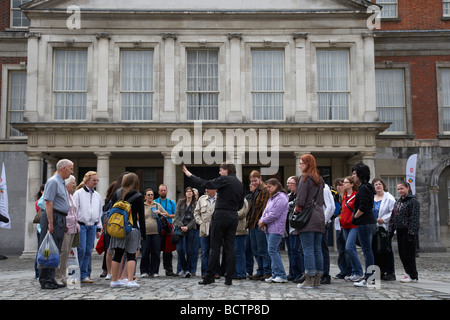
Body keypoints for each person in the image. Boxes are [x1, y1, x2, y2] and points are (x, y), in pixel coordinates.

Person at [183, 162, 244, 286]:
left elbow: (206, 184)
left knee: (214, 247)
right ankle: (228, 278)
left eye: (221, 170)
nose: (219, 172)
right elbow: (241, 204)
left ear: (227, 170)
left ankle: (209, 276)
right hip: (233, 216)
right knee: (230, 247)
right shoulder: (240, 184)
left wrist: (189, 175)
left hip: (221, 214)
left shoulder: (225, 180)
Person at [39, 159, 74, 290]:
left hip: (60, 217)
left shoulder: (61, 182)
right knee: (48, 249)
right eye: (70, 168)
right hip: (53, 216)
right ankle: (45, 279)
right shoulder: (53, 181)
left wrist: (63, 221)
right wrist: (51, 223)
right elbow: (49, 202)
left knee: (56, 249)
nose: (72, 171)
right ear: (63, 168)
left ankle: (51, 277)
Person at [109, 172, 146, 289]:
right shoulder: (138, 196)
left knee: (117, 254)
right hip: (132, 228)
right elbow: (142, 216)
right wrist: (143, 234)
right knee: (131, 254)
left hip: (118, 228)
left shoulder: (117, 193)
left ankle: (114, 280)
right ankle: (130, 280)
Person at [295, 154, 325, 289]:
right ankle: (317, 278)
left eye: (301, 163)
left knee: (308, 249)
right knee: (317, 248)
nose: (300, 165)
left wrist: (296, 209)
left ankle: (309, 279)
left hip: (308, 216)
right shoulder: (319, 179)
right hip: (319, 215)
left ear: (307, 164)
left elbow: (300, 200)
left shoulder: (304, 178)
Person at [73, 171, 102, 284]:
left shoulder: (97, 195)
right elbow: (74, 211)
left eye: (97, 180)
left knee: (88, 251)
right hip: (82, 225)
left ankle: (85, 274)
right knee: (81, 250)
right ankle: (78, 274)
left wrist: (99, 228)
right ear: (87, 181)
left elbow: (99, 212)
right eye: (94, 180)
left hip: (92, 226)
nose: (96, 182)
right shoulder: (78, 194)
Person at [258, 178, 289, 283]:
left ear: (276, 186)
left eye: (270, 187)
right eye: (267, 187)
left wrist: (263, 221)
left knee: (272, 250)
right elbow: (265, 211)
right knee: (273, 251)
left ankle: (281, 274)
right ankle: (276, 273)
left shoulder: (281, 197)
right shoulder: (272, 198)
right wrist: (262, 220)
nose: (268, 189)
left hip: (276, 228)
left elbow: (275, 213)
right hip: (269, 227)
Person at [351, 162, 377, 287]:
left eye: (355, 173)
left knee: (367, 251)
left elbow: (363, 206)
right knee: (368, 250)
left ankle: (370, 278)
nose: (353, 176)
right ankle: (369, 277)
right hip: (368, 222)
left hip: (365, 222)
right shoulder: (366, 187)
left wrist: (355, 218)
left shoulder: (364, 188)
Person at [389, 181, 420, 283]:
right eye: (398, 189)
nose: (400, 191)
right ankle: (408, 272)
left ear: (407, 188)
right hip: (400, 230)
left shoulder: (413, 201)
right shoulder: (398, 202)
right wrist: (391, 230)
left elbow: (414, 218)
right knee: (402, 254)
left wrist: (412, 232)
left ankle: (412, 275)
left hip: (408, 231)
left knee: (409, 254)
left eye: (402, 188)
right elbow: (393, 217)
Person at [246, 170, 271, 280]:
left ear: (260, 178)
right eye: (252, 181)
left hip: (260, 224)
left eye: (255, 180)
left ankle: (267, 271)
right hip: (252, 224)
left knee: (263, 249)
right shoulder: (255, 191)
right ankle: (260, 270)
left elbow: (266, 208)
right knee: (255, 249)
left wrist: (263, 221)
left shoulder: (265, 190)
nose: (254, 183)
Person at [54, 175, 79, 286]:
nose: (74, 185)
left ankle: (63, 275)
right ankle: (57, 276)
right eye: (73, 183)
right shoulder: (62, 195)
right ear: (67, 184)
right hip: (64, 228)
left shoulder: (70, 195)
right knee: (62, 252)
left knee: (67, 253)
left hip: (72, 228)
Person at [371, 177, 396, 281]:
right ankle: (379, 271)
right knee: (375, 250)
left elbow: (393, 212)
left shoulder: (389, 198)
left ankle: (390, 272)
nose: (378, 186)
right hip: (374, 228)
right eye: (376, 184)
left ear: (383, 186)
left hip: (384, 228)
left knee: (386, 250)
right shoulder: (372, 197)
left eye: (379, 184)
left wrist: (384, 219)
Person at [340, 176, 363, 282]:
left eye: (345, 182)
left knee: (349, 248)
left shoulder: (356, 195)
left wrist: (354, 218)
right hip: (345, 226)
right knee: (349, 249)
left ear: (352, 184)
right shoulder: (344, 196)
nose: (343, 184)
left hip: (354, 225)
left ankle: (358, 271)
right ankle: (353, 272)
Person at [140, 188, 167, 278]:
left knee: (156, 252)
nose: (150, 196)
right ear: (145, 196)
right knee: (145, 252)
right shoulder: (142, 206)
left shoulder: (157, 205)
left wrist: (160, 213)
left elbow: (166, 214)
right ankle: (144, 271)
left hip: (156, 232)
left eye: (152, 195)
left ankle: (154, 271)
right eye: (148, 195)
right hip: (145, 233)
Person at [194, 188, 219, 278]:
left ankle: (216, 272)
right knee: (204, 252)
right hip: (204, 229)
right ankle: (204, 272)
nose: (206, 190)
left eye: (209, 188)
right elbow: (196, 213)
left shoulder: (220, 198)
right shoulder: (201, 199)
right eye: (206, 188)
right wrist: (201, 223)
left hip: (216, 229)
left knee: (215, 251)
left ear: (215, 189)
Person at [173, 187, 197, 278]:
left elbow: (196, 217)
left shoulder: (196, 203)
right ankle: (184, 267)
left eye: (190, 191)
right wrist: (181, 225)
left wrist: (188, 227)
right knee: (179, 249)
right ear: (185, 193)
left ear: (192, 193)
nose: (189, 193)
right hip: (180, 228)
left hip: (190, 228)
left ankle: (187, 270)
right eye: (187, 191)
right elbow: (177, 215)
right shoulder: (180, 202)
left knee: (189, 250)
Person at [155, 184, 177, 276]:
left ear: (167, 191)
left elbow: (176, 214)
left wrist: (167, 215)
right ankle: (154, 270)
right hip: (158, 228)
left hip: (168, 228)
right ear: (159, 191)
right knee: (156, 250)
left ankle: (169, 269)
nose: (163, 192)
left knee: (168, 250)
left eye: (164, 190)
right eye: (161, 190)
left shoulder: (171, 203)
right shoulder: (155, 202)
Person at [332, 178, 350, 280]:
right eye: (337, 185)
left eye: (341, 185)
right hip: (339, 225)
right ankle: (343, 270)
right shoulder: (336, 196)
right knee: (341, 249)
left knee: (348, 249)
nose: (339, 187)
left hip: (347, 225)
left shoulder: (347, 196)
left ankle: (350, 270)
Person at [320, 183, 335, 284]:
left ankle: (325, 274)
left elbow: (330, 206)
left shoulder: (323, 187)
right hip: (316, 222)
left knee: (322, 249)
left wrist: (323, 221)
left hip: (321, 223)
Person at [234, 197, 249, 280]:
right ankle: (235, 271)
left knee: (239, 252)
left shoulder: (242, 200)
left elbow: (242, 213)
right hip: (231, 229)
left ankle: (241, 272)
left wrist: (230, 213)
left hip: (240, 229)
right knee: (233, 252)